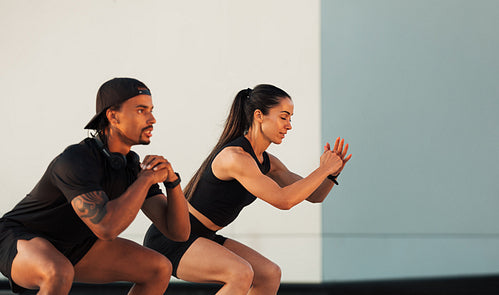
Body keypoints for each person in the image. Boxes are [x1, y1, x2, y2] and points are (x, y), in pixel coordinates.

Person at [144, 84, 352, 294]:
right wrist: (324, 168)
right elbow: (284, 200)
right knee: (240, 273)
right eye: (284, 117)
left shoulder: (267, 162)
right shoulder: (235, 157)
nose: (289, 125)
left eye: (290, 118)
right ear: (259, 115)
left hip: (205, 236)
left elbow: (314, 196)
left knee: (269, 274)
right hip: (171, 239)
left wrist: (331, 173)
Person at [0, 78, 190, 294]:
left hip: (75, 246)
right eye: (141, 110)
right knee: (58, 272)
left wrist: (172, 182)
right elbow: (106, 228)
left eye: (151, 110)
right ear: (113, 116)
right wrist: (146, 180)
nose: (152, 119)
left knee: (158, 269)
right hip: (19, 237)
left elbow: (179, 233)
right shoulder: (76, 159)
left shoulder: (132, 168)